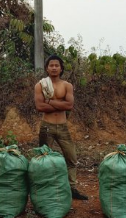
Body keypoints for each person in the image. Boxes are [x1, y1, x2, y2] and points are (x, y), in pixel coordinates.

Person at [34, 55, 89, 200]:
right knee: (44, 160)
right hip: (47, 126)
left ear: (61, 68)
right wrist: (59, 104)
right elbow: (40, 106)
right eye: (51, 65)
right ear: (46, 68)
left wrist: (49, 101)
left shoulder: (67, 86)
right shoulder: (41, 85)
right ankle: (45, 189)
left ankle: (72, 189)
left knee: (71, 158)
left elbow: (69, 105)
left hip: (63, 127)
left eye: (56, 65)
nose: (53, 68)